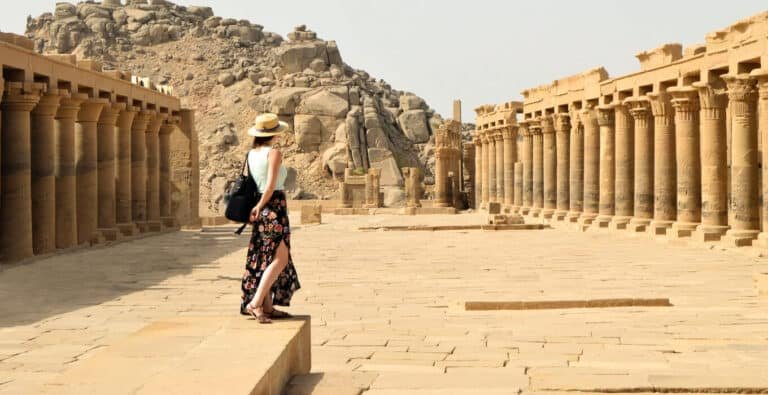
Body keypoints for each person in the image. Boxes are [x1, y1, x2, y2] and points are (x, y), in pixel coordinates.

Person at [240, 113, 301, 323]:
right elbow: (270, 185)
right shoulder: (274, 153)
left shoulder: (251, 154)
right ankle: (255, 303)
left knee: (266, 257)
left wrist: (256, 207)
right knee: (280, 258)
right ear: (274, 134)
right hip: (273, 207)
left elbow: (252, 183)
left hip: (260, 209)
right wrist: (261, 205)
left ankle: (267, 306)